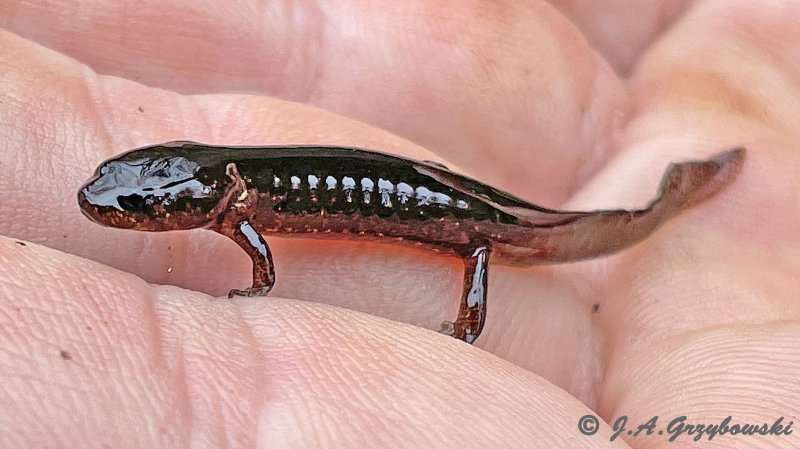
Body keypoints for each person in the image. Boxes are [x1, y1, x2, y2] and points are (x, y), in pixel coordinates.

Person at [0, 1, 795, 447]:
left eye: (135, 204)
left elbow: (265, 269)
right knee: (486, 228)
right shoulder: (234, 194)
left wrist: (263, 287)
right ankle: (672, 196)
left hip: (472, 223)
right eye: (127, 198)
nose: (113, 208)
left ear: (198, 191)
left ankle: (480, 315)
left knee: (484, 242)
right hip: (463, 207)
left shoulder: (237, 205)